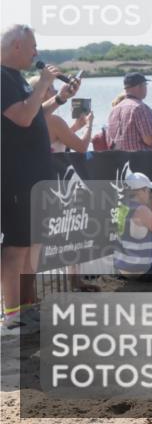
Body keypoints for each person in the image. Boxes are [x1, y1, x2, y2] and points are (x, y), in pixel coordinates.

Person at [1, 24, 80, 334]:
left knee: (32, 245)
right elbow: (21, 117)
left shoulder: (16, 78)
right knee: (16, 248)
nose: (36, 53)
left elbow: (32, 113)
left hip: (34, 176)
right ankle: (11, 315)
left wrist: (59, 97)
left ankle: (26, 308)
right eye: (33, 47)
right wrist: (43, 82)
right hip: (15, 176)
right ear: (17, 46)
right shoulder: (1, 77)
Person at [31, 77, 94, 153]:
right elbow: (82, 147)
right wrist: (89, 124)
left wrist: (75, 127)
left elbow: (56, 138)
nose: (57, 91)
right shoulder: (53, 121)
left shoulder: (25, 118)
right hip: (53, 165)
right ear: (44, 92)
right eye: (53, 88)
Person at [106, 73, 152, 151]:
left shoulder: (113, 110)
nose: (146, 88)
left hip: (119, 160)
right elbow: (149, 140)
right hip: (141, 160)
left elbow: (110, 141)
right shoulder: (140, 108)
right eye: (145, 85)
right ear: (139, 86)